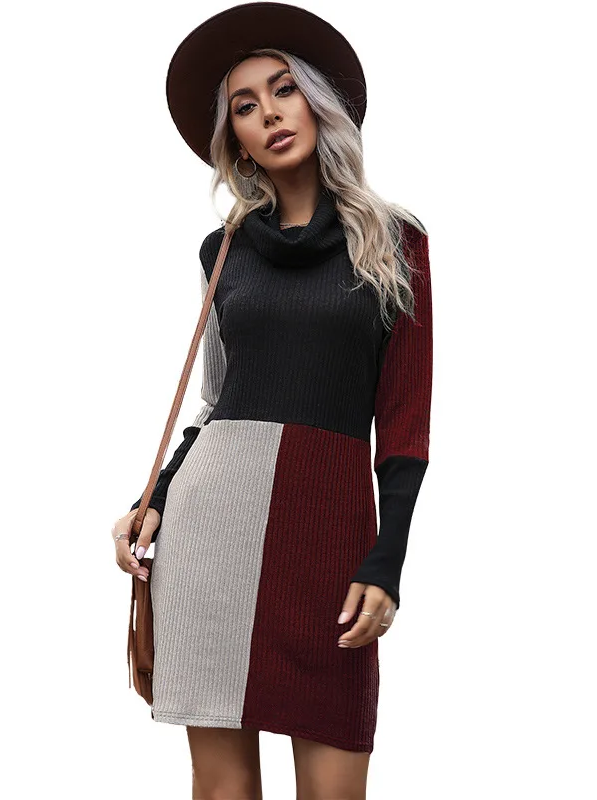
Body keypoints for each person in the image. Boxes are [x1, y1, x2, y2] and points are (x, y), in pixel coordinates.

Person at [111, 3, 433, 797]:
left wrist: (387, 561)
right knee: (222, 787)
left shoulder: (396, 242)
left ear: (318, 101)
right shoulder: (222, 251)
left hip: (329, 534)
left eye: (283, 90)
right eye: (245, 106)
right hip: (209, 535)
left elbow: (405, 422)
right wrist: (153, 499)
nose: (269, 114)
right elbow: (215, 399)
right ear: (236, 140)